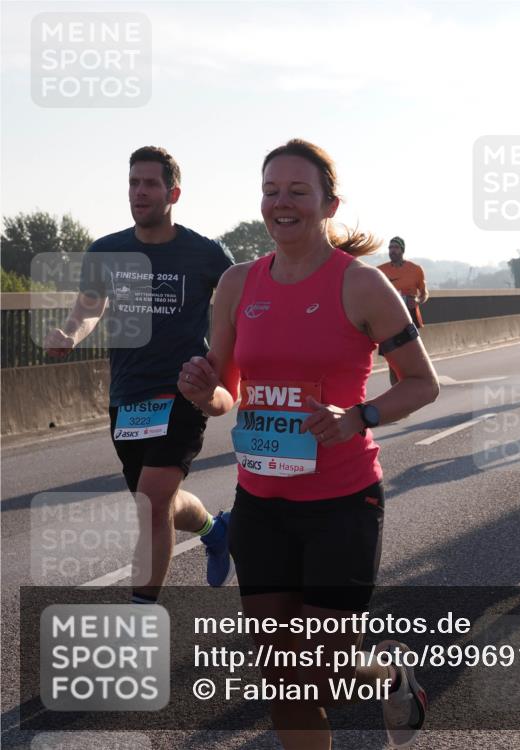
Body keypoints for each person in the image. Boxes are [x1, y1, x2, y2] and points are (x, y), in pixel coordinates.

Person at [178, 139, 439, 749]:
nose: (282, 203)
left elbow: (422, 384)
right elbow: (226, 392)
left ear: (328, 204)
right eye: (272, 191)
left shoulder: (364, 285)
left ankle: (388, 674)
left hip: (342, 504)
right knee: (284, 680)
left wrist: (358, 415)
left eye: (298, 191)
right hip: (261, 505)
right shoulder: (238, 284)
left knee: (323, 668)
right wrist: (202, 390)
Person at [43, 146, 234, 603]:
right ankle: (214, 528)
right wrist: (70, 333)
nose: (139, 192)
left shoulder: (205, 254)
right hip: (128, 396)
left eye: (150, 183)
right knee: (157, 505)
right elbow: (89, 308)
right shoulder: (106, 250)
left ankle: (140, 615)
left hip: (184, 391)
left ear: (174, 192)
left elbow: (241, 305)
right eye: (133, 182)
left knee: (151, 502)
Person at [377, 238, 428, 386]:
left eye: (396, 248)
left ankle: (410, 388)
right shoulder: (380, 271)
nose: (392, 250)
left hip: (410, 317)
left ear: (402, 250)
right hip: (389, 318)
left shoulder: (415, 269)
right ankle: (397, 389)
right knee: (392, 358)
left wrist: (417, 301)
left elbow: (424, 293)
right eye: (390, 248)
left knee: (411, 357)